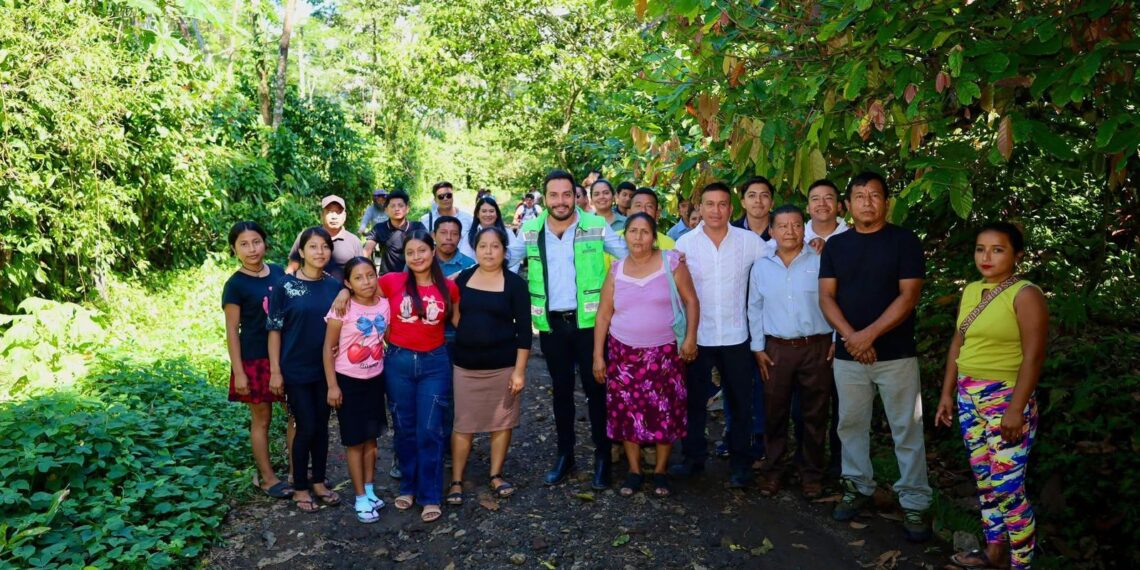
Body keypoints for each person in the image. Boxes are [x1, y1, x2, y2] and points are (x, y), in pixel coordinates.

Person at [818, 171, 933, 541]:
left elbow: (909, 296)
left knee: (907, 429)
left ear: (886, 202)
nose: (867, 202)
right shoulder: (836, 246)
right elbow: (826, 297)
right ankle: (857, 487)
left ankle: (915, 503)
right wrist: (853, 338)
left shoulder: (905, 242)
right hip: (850, 357)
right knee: (850, 425)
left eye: (875, 195)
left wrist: (867, 335)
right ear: (846, 205)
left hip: (896, 354)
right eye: (859, 195)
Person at [935, 222, 1047, 570]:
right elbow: (959, 342)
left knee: (1007, 487)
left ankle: (1022, 563)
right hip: (969, 396)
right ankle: (993, 551)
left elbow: (1034, 355)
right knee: (985, 481)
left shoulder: (1026, 294)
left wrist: (1016, 408)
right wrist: (947, 393)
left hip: (1006, 398)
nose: (986, 257)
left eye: (998, 249)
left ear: (1017, 256)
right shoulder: (971, 290)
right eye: (981, 249)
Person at [520, 169, 628, 490]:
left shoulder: (596, 226)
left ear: (576, 195)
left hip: (591, 327)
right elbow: (498, 260)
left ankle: (603, 457)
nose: (561, 201)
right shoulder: (530, 230)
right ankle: (565, 455)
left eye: (566, 194)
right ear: (545, 198)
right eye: (553, 195)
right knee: (562, 392)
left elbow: (628, 259)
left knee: (597, 392)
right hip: (552, 327)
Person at [593, 213, 699, 498]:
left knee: (664, 411)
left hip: (665, 354)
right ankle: (635, 471)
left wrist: (690, 338)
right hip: (623, 354)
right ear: (624, 235)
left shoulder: (671, 262)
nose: (638, 237)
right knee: (629, 414)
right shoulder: (616, 270)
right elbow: (603, 315)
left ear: (654, 236)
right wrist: (598, 356)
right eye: (633, 231)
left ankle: (661, 471)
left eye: (645, 232)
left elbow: (691, 301)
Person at [671, 181, 768, 487]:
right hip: (698, 337)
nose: (716, 210)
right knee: (694, 402)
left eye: (722, 204)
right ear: (699, 207)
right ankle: (693, 459)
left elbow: (777, 252)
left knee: (741, 404)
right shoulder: (684, 244)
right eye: (709, 204)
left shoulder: (749, 241)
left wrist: (812, 245)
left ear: (731, 207)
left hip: (737, 336)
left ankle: (741, 463)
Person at [747, 205, 835, 499]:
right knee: (774, 413)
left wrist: (836, 338)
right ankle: (773, 472)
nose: (790, 231)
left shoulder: (821, 259)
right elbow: (754, 308)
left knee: (814, 414)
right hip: (776, 350)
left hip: (816, 346)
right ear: (771, 231)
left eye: (796, 225)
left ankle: (811, 474)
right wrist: (757, 348)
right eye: (782, 226)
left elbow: (834, 299)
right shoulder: (761, 266)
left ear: (803, 228)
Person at [377, 230, 459, 523]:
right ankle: (408, 486)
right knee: (404, 427)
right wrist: (343, 291)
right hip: (398, 361)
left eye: (422, 251)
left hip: (435, 363)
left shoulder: (449, 287)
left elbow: (462, 322)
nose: (416, 257)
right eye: (410, 253)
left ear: (432, 251)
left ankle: (430, 494)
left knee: (430, 428)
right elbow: (363, 290)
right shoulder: (391, 281)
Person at [446, 227, 532, 505]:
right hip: (466, 366)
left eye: (495, 247)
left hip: (503, 367)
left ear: (504, 251)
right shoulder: (464, 278)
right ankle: (457, 480)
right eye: (483, 246)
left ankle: (496, 475)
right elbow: (456, 315)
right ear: (476, 249)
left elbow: (525, 333)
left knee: (501, 422)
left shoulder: (515, 284)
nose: (489, 251)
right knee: (463, 424)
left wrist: (519, 371)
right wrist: (474, 334)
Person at [267, 227, 344, 513]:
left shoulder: (334, 286)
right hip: (295, 369)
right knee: (306, 426)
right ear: (301, 251)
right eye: (313, 247)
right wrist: (276, 370)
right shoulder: (285, 287)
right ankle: (300, 485)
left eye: (325, 247)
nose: (320, 252)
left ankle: (320, 481)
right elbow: (274, 330)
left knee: (322, 427)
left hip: (326, 369)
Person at [222, 221, 292, 500]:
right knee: (261, 419)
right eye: (244, 244)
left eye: (256, 242)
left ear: (265, 243)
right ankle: (268, 478)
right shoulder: (235, 285)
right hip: (254, 360)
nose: (252, 249)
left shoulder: (276, 271)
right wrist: (239, 372)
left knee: (295, 414)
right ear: (234, 249)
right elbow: (232, 332)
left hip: (286, 355)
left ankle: (296, 472)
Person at [322, 257, 390, 523]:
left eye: (370, 275)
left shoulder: (384, 305)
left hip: (375, 379)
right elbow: (328, 348)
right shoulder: (343, 308)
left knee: (372, 439)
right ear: (348, 283)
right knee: (354, 441)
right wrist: (332, 386)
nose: (366, 282)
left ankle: (370, 489)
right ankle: (360, 497)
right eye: (358, 278)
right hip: (347, 381)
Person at [287, 195, 364, 282]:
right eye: (330, 212)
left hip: (344, 293)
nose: (334, 217)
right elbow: (292, 268)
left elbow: (361, 272)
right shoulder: (306, 236)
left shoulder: (354, 241)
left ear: (344, 216)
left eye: (338, 212)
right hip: (309, 291)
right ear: (322, 215)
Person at [363, 190, 427, 274]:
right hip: (387, 279)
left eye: (400, 206)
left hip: (413, 277)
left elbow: (428, 250)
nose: (397, 209)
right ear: (386, 210)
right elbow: (367, 250)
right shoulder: (379, 228)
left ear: (407, 208)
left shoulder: (417, 227)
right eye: (392, 206)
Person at [462, 196, 526, 273]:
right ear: (477, 214)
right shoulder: (470, 235)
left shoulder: (508, 233)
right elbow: (465, 260)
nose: (488, 214)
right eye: (484, 211)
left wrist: (507, 277)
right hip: (476, 278)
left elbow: (515, 257)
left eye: (491, 211)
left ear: (497, 214)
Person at [804, 179, 849, 253]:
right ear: (807, 208)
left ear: (839, 206)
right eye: (815, 199)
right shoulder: (798, 236)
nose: (822, 203)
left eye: (828, 198)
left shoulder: (852, 234)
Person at [731, 176, 775, 246]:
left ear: (772, 203)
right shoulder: (731, 231)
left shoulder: (785, 229)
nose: (758, 200)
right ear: (743, 203)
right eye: (752, 195)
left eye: (764, 195)